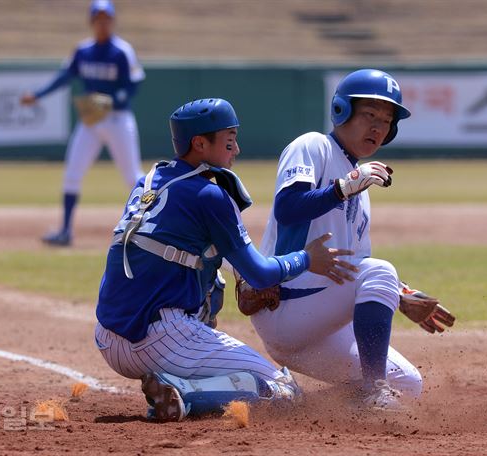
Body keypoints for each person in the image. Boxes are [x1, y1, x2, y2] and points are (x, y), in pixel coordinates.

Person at [94, 97, 355, 421]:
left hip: (107, 337)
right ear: (200, 143)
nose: (237, 150)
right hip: (159, 341)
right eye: (229, 141)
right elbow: (260, 274)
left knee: (207, 273)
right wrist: (306, 258)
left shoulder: (147, 183)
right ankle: (183, 393)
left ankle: (182, 374)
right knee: (284, 391)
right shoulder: (210, 195)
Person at [247, 69, 449, 411]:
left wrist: (402, 296)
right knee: (381, 270)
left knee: (409, 384)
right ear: (342, 110)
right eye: (369, 114)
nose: (377, 127)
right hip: (286, 304)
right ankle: (373, 390)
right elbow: (288, 209)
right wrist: (346, 186)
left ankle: (291, 407)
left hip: (319, 328)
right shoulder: (313, 146)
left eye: (386, 121)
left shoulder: (361, 192)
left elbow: (357, 266)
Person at [21, 0, 145, 246]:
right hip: (91, 121)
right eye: (98, 18)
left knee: (133, 177)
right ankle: (65, 231)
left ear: (112, 21)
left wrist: (113, 99)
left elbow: (135, 82)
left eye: (106, 18)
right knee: (72, 174)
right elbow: (64, 77)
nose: (102, 22)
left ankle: (149, 227)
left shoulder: (122, 50)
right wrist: (38, 95)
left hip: (118, 119)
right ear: (91, 22)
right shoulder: (83, 50)